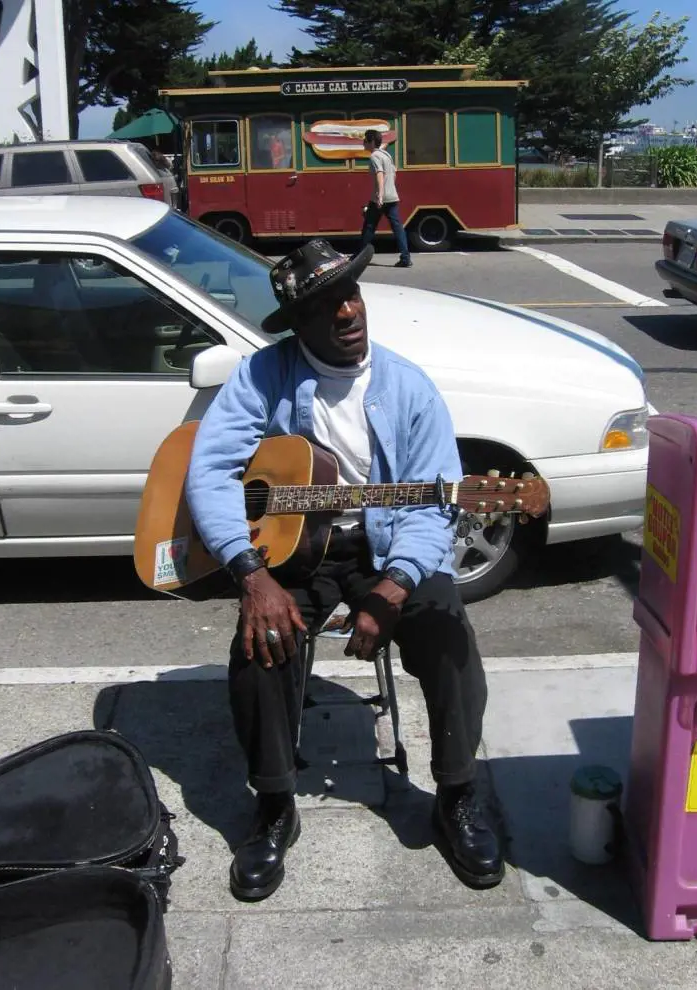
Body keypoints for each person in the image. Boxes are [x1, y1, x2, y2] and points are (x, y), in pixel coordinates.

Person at [186, 238, 502, 901]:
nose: (348, 312)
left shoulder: (408, 387)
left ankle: (457, 792)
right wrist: (250, 574)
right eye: (326, 305)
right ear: (298, 325)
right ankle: (274, 804)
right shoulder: (261, 376)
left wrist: (396, 585)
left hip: (385, 546)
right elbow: (210, 472)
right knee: (259, 645)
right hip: (293, 552)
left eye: (351, 294)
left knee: (448, 632)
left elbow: (433, 503)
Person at [360, 130, 412, 268]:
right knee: (398, 228)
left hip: (380, 197)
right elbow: (394, 173)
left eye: (365, 140)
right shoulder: (386, 155)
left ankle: (360, 256)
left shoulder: (375, 156)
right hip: (392, 196)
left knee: (369, 226)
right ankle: (406, 258)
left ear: (371, 142)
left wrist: (380, 195)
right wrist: (390, 189)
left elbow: (380, 174)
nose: (363, 143)